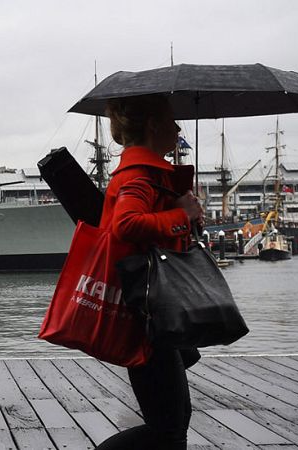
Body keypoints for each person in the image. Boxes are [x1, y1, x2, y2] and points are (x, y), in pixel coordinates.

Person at [95, 94, 203, 450]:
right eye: (171, 119)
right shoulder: (140, 173)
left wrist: (185, 215)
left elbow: (151, 232)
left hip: (152, 308)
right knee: (169, 429)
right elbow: (126, 225)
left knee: (171, 423)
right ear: (154, 125)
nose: (178, 127)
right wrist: (181, 216)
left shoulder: (148, 173)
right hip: (147, 313)